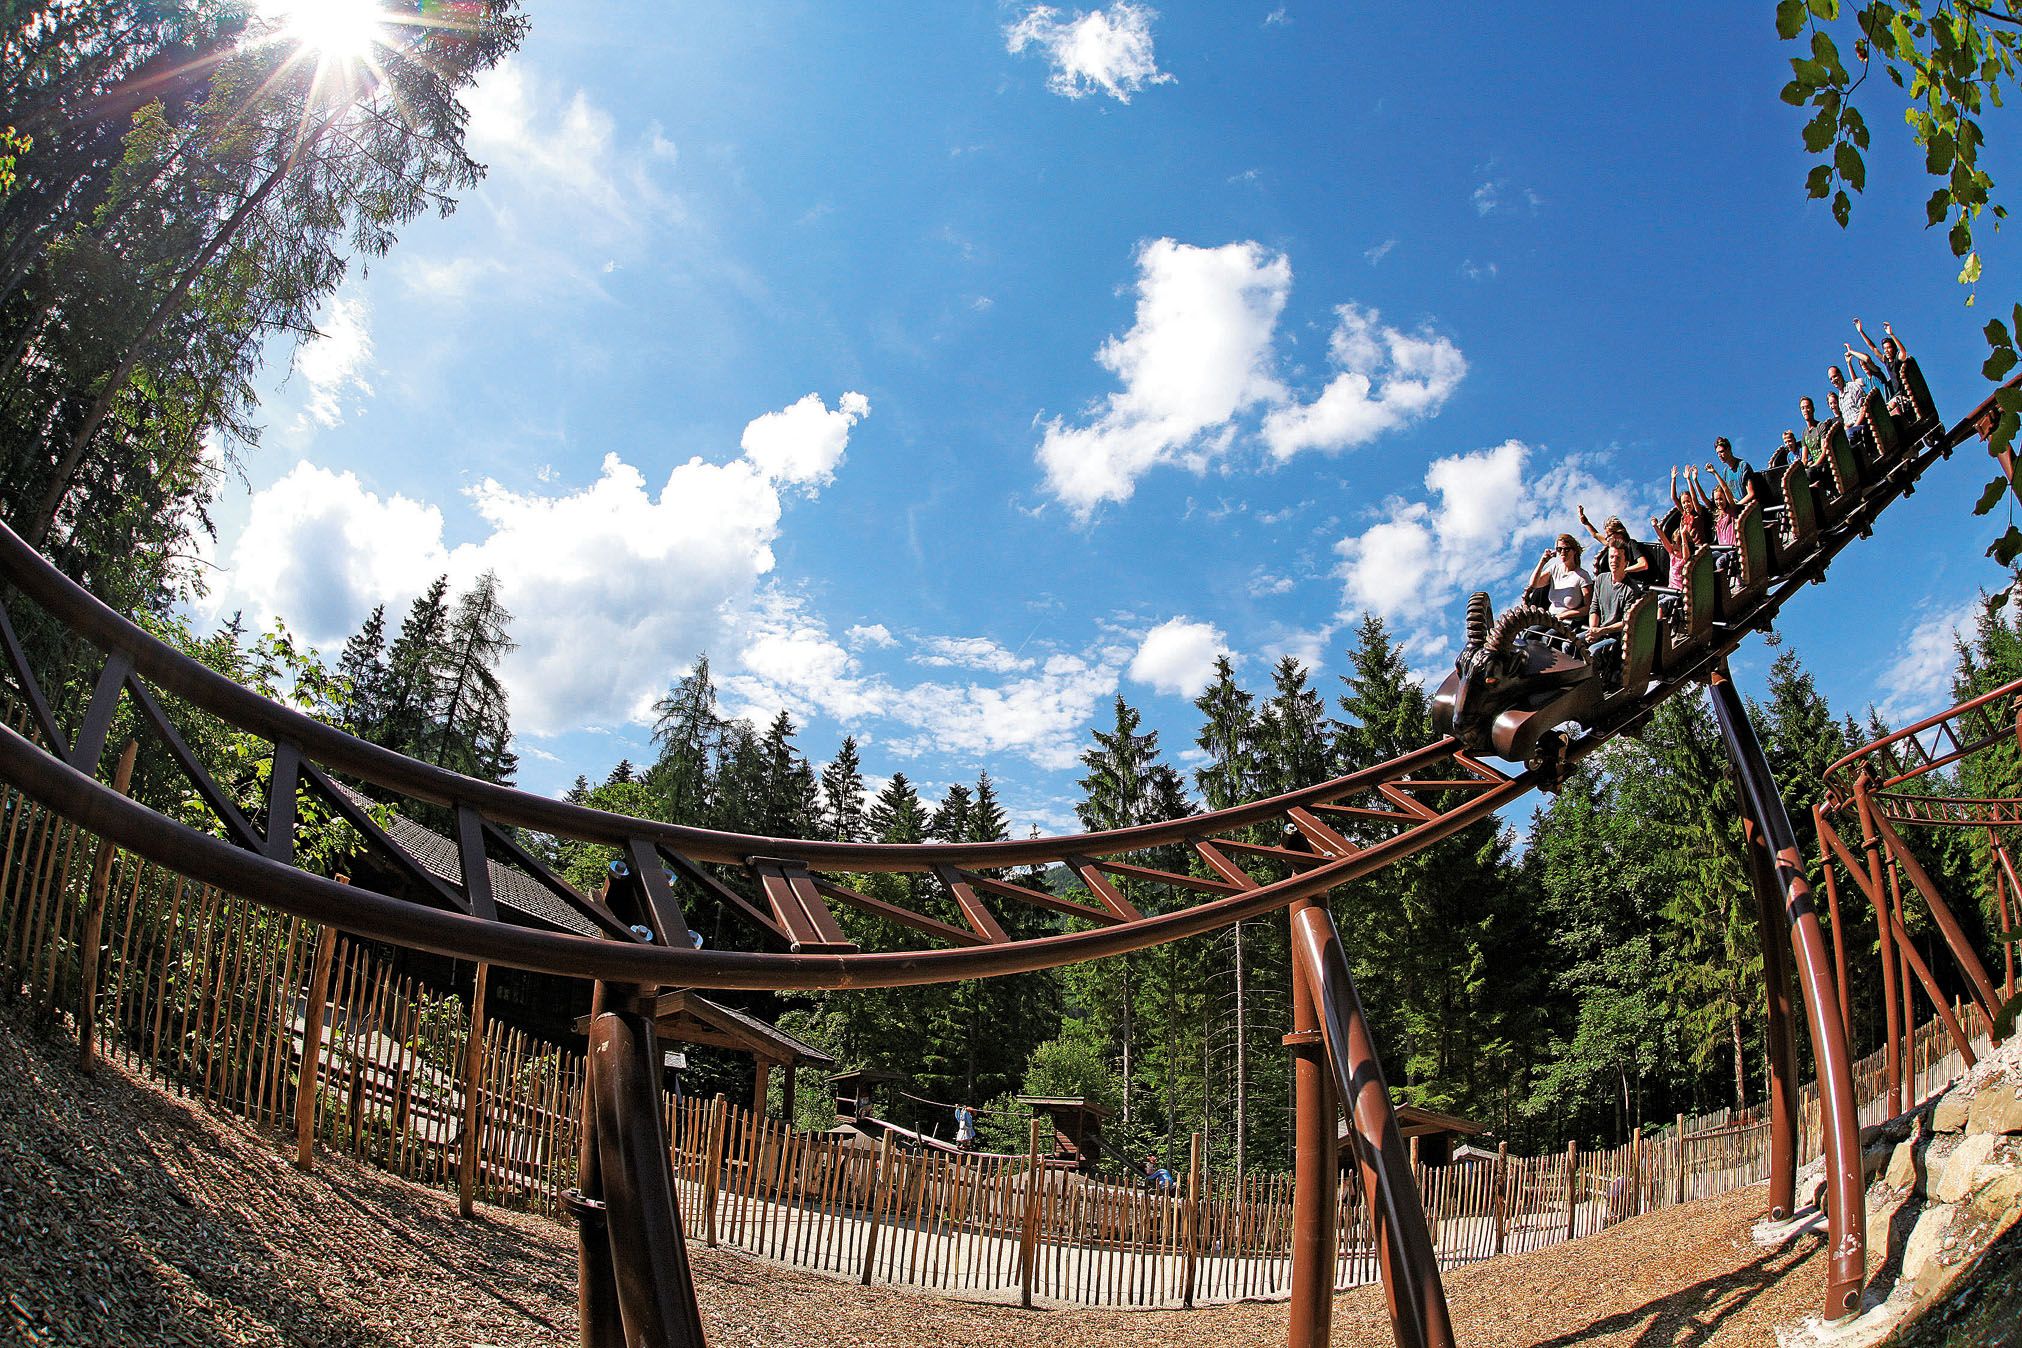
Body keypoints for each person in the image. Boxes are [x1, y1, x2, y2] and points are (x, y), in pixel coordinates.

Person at [1576, 507, 1656, 590]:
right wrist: (1585, 522)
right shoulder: (1613, 546)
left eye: (1609, 535)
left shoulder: (1631, 544)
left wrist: (1623, 570)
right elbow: (1595, 534)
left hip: (1638, 585)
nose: (1607, 538)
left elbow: (1643, 564)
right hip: (1622, 585)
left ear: (1619, 533)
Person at [1524, 533, 1592, 624]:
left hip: (1568, 622)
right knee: (1529, 634)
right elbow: (1533, 584)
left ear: (1574, 551)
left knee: (1547, 637)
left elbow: (1587, 608)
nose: (1563, 552)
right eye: (1559, 549)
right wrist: (1542, 562)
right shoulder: (1554, 568)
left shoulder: (1583, 576)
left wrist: (1564, 615)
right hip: (1550, 618)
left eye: (1566, 549)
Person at [1703, 437, 1756, 510]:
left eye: (1721, 452)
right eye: (1717, 453)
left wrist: (1736, 506)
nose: (1719, 455)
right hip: (1735, 510)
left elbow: (1751, 493)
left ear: (1728, 450)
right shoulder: (1725, 472)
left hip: (1748, 508)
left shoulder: (1743, 466)